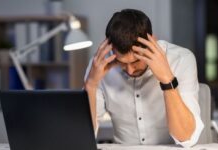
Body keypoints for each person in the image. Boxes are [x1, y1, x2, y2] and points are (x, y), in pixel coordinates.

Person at [84, 9, 204, 147]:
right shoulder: (99, 65)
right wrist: (91, 85)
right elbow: (84, 136)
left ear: (152, 42)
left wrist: (167, 80)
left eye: (136, 62)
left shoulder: (181, 59)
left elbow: (186, 137)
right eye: (121, 62)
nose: (129, 70)